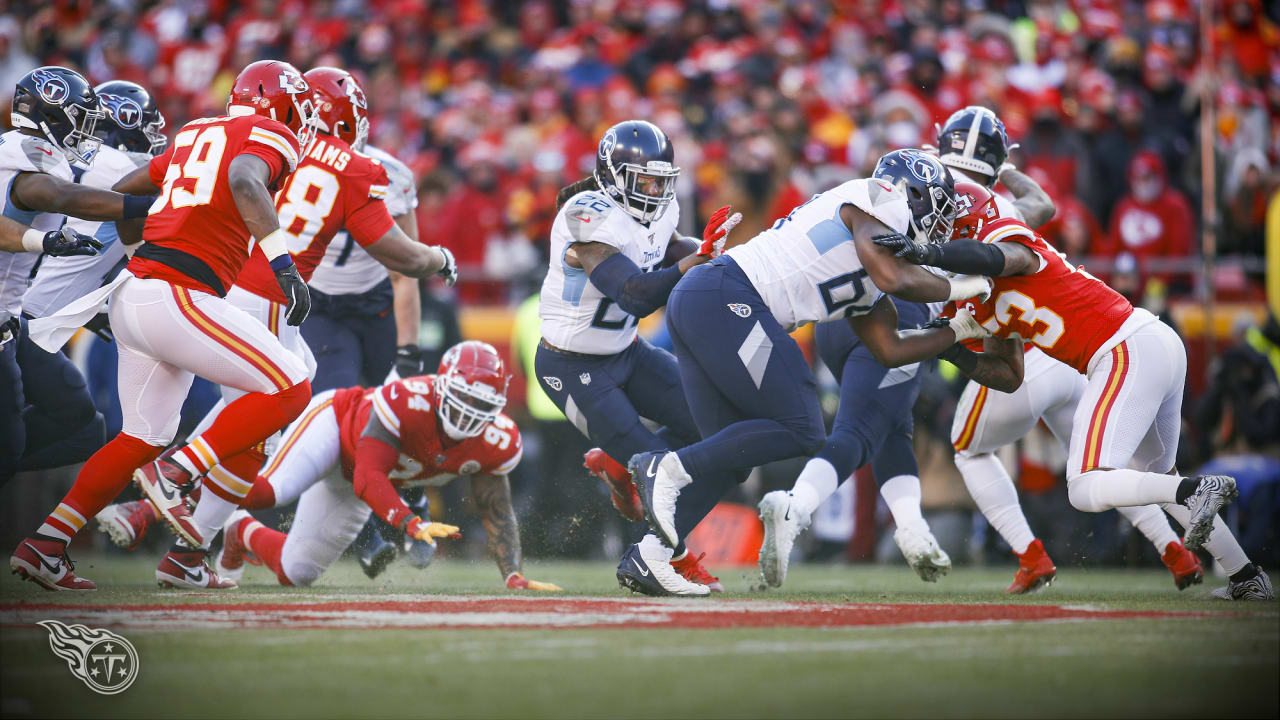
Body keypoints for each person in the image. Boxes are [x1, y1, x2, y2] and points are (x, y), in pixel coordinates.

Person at [122, 65, 455, 589]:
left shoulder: (263, 145)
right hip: (271, 294)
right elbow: (400, 256)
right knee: (266, 417)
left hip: (222, 281)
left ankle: (185, 542)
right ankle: (173, 484)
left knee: (275, 404)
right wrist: (438, 258)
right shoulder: (349, 164)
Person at [875, 184, 1273, 601]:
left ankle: (1195, 492)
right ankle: (1246, 575)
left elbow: (996, 258)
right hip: (1149, 344)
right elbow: (1009, 377)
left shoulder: (1003, 236)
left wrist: (930, 255)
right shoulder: (977, 302)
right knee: (1159, 476)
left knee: (1085, 487)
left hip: (1124, 348)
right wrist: (954, 347)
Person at [11, 60, 316, 591]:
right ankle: (177, 472)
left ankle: (46, 544)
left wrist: (136, 255)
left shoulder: (196, 130)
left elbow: (129, 193)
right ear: (280, 103)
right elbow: (245, 177)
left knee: (141, 435)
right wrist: (282, 265)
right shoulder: (268, 132)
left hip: (138, 296)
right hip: (179, 293)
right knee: (293, 386)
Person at [633, 149, 994, 593]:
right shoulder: (879, 201)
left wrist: (957, 331)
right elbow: (894, 279)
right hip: (727, 294)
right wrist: (965, 285)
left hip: (710, 300)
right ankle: (665, 467)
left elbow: (889, 349)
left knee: (730, 457)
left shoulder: (869, 266)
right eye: (937, 213)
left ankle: (650, 555)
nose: (937, 231)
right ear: (913, 193)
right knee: (803, 426)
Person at [926, 110, 1200, 593]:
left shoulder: (937, 198)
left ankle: (1031, 557)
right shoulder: (1005, 206)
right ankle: (1175, 552)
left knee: (970, 448)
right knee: (1102, 466)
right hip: (1072, 352)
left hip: (1020, 348)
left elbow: (969, 261)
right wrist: (1000, 168)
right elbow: (1042, 203)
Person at [534, 120, 728, 596]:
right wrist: (692, 262)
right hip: (572, 366)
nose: (655, 191)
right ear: (611, 174)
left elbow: (665, 248)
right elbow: (633, 294)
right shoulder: (587, 215)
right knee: (663, 471)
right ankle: (668, 559)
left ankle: (622, 466)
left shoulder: (659, 211)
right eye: (644, 180)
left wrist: (711, 254)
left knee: (719, 428)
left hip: (626, 353)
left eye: (662, 181)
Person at [213, 341, 559, 592]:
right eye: (463, 396)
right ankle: (177, 480)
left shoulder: (497, 441)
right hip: (336, 427)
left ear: (498, 406)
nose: (469, 410)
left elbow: (496, 509)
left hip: (357, 477)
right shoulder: (406, 401)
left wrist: (513, 576)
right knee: (269, 492)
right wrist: (410, 522)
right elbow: (369, 476)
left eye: (482, 403)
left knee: (296, 572)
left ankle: (240, 531)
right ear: (440, 386)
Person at [1, 65, 157, 493]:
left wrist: (86, 309)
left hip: (22, 316)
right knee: (22, 442)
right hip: (19, 320)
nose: (89, 134)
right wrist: (147, 205)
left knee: (78, 426)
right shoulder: (67, 164)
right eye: (82, 121)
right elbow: (56, 199)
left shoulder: (29, 151)